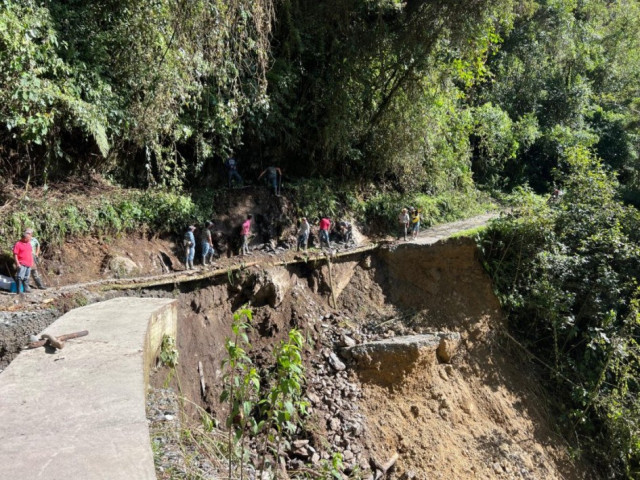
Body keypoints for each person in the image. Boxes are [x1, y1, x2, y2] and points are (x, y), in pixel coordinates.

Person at [13, 229, 34, 294]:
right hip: (22, 263)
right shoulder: (18, 244)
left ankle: (26, 289)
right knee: (20, 277)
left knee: (26, 277)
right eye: (28, 238)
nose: (30, 239)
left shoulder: (28, 244)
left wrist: (32, 262)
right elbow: (15, 254)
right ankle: (19, 291)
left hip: (28, 263)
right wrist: (17, 263)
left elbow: (30, 253)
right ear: (25, 238)